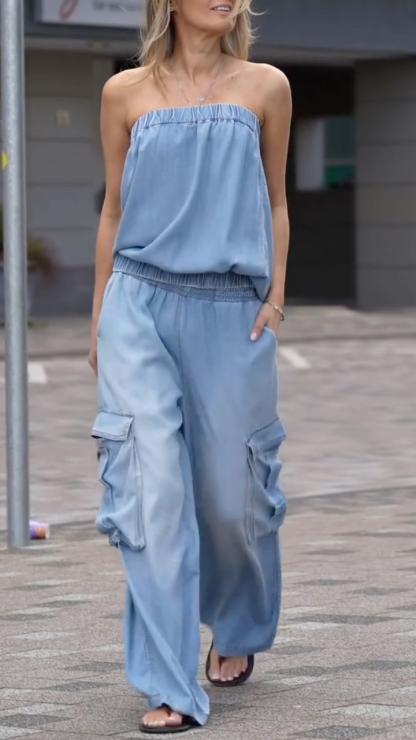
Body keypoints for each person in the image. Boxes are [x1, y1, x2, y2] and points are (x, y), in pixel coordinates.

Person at [89, 0, 291, 733]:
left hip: (230, 309)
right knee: (152, 493)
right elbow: (114, 211)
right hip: (138, 302)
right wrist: (99, 318)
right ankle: (169, 681)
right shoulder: (124, 93)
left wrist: (275, 299)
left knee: (232, 499)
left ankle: (236, 625)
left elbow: (276, 200)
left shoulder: (266, 86)